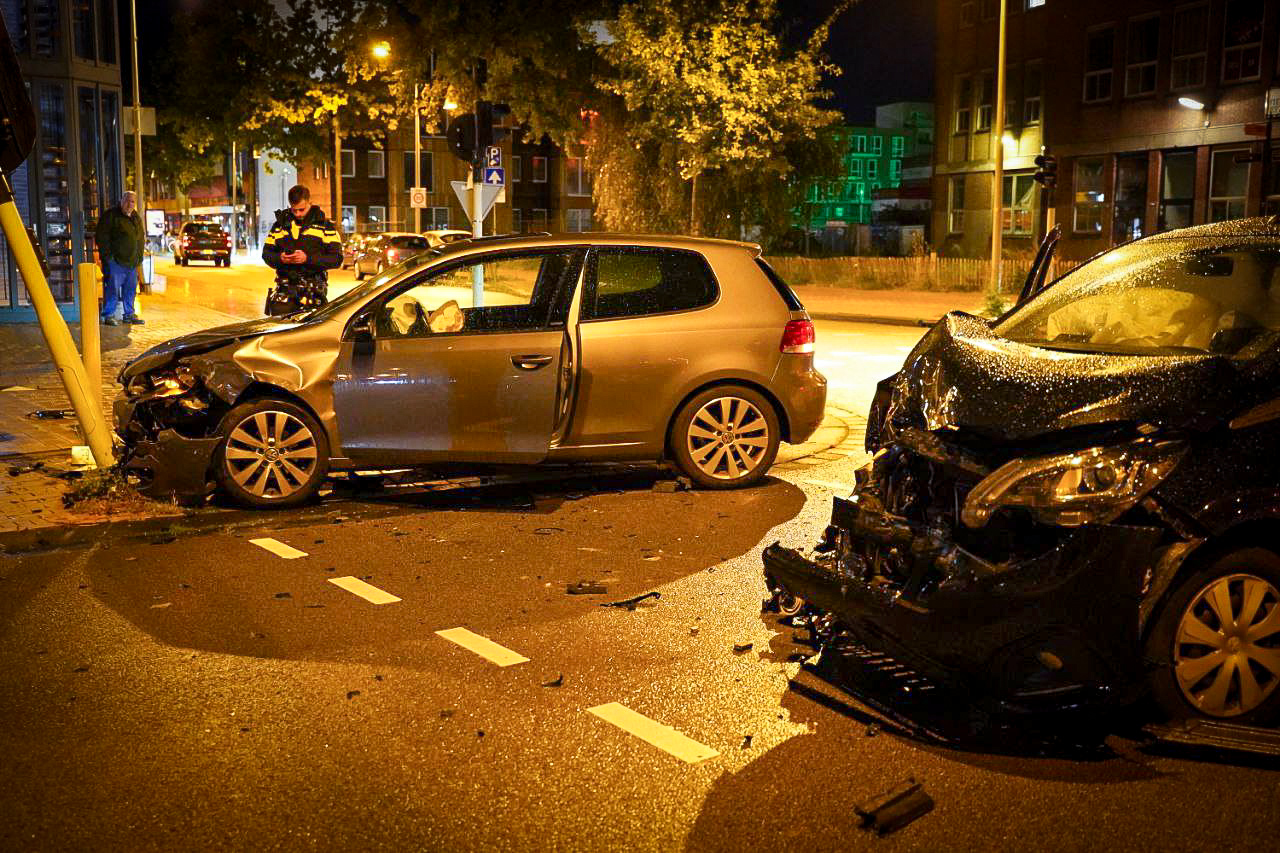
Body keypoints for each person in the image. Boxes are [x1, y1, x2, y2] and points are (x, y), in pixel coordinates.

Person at [262, 184, 342, 283]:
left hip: (313, 288)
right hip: (285, 285)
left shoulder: (325, 226)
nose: (298, 214)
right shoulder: (279, 226)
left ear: (310, 203)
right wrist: (280, 258)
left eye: (302, 209)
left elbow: (336, 259)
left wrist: (307, 259)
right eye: (294, 210)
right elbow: (266, 254)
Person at [95, 190, 145, 326]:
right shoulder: (111, 216)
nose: (130, 204)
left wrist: (139, 257)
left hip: (132, 262)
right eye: (127, 200)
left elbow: (140, 238)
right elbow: (101, 237)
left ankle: (129, 314)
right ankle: (108, 315)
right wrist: (109, 258)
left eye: (132, 201)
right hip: (115, 262)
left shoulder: (135, 217)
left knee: (130, 290)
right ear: (122, 200)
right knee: (112, 289)